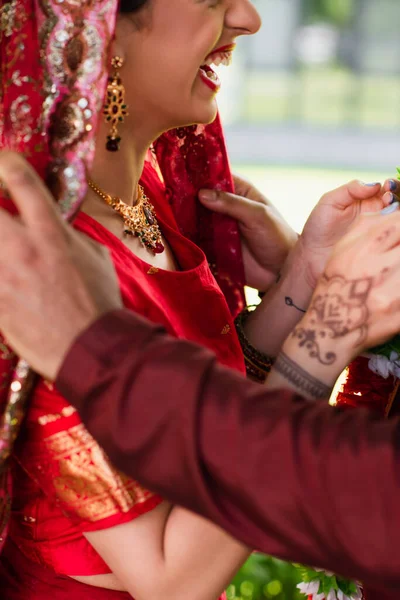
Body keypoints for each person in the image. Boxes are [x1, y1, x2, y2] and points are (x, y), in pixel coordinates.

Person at [1, 1, 400, 599]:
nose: (248, 19)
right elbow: (172, 576)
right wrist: (331, 321)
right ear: (101, 31)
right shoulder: (47, 263)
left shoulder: (145, 191)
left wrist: (305, 277)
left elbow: (199, 404)